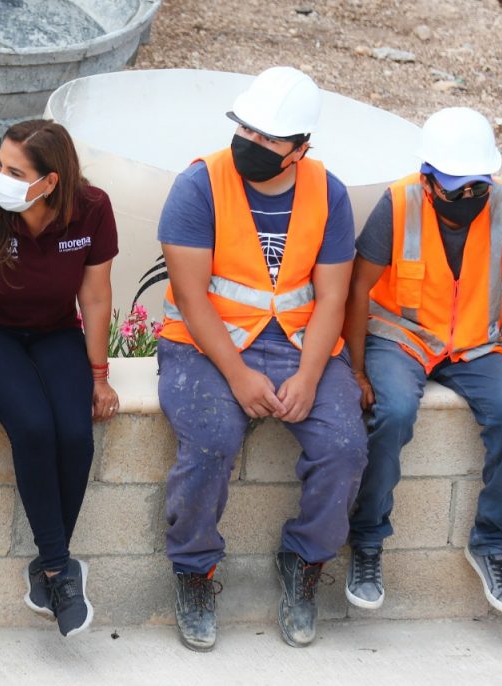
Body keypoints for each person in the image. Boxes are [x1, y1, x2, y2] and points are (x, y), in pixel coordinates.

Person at [156, 66, 368, 651]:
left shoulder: (329, 192)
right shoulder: (198, 185)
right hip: (205, 344)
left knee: (345, 448)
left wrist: (310, 376)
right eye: (246, 128)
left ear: (300, 148)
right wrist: (238, 374)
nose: (251, 142)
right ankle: (194, 570)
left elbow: (332, 297)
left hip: (298, 343)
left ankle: (304, 560)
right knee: (211, 441)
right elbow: (191, 297)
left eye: (269, 138)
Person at [342, 107, 502, 616]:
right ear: (429, 179)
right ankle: (367, 539)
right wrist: (358, 370)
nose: (468, 197)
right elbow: (358, 289)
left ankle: (491, 543)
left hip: (474, 344)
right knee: (392, 412)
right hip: (402, 338)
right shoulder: (398, 203)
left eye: (477, 187)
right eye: (456, 189)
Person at [0, 119, 118, 638]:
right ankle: (58, 569)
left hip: (55, 331)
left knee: (76, 434)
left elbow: (95, 296)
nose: (1, 178)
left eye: (15, 172)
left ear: (51, 181)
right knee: (33, 426)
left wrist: (99, 375)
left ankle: (49, 569)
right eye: (0, 165)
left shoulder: (93, 209)